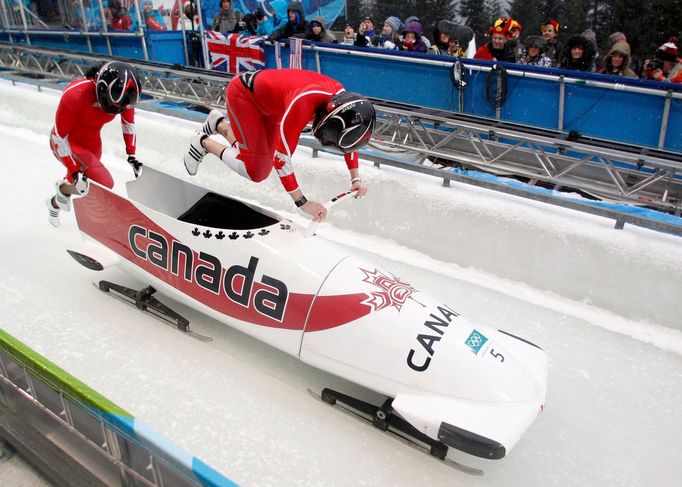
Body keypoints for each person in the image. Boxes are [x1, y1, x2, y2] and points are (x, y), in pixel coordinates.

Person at [182, 69, 376, 222]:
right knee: (256, 172)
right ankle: (203, 142)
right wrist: (302, 202)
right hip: (244, 97)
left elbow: (352, 143)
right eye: (331, 134)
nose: (329, 139)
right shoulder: (303, 105)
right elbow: (281, 159)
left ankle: (219, 125)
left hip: (271, 105)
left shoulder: (343, 101)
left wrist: (355, 179)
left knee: (257, 157)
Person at [46, 61, 142, 227]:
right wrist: (74, 169)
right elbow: (58, 136)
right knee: (104, 183)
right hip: (67, 144)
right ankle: (66, 194)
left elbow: (128, 124)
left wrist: (131, 154)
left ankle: (56, 200)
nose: (115, 110)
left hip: (92, 144)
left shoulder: (125, 95)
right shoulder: (75, 94)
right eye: (112, 106)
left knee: (84, 185)